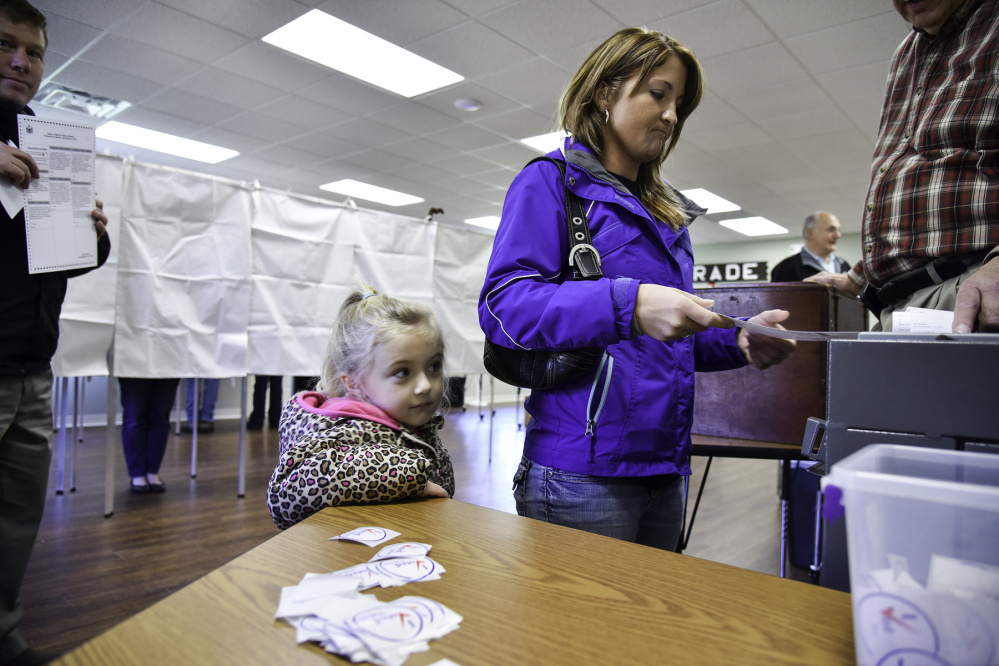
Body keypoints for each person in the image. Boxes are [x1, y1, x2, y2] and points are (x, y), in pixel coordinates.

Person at [477, 28, 795, 551]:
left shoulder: (668, 214)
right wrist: (630, 303)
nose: (672, 115)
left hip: (666, 466)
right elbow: (504, 307)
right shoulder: (550, 183)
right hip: (582, 474)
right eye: (658, 93)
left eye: (679, 103)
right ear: (605, 93)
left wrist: (738, 341)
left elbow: (663, 344)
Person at [0, 2, 111, 663]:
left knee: (16, 522)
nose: (20, 61)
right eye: (5, 45)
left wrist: (90, 235)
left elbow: (59, 261)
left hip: (32, 368)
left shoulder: (49, 139)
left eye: (33, 51)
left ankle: (5, 634)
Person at [806, 0, 998, 333]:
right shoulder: (906, 53)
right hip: (898, 304)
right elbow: (907, 179)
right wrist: (854, 278)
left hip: (977, 290)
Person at [267, 285, 454, 529]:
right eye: (402, 372)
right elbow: (287, 493)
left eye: (434, 367)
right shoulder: (343, 429)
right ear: (354, 383)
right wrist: (406, 473)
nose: (424, 385)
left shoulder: (415, 425)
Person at [119, 377, 178, 494]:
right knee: (134, 416)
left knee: (160, 417)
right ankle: (137, 473)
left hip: (168, 365)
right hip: (133, 365)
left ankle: (152, 471)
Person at [770, 211, 850, 282]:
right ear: (810, 233)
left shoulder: (844, 266)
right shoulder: (786, 268)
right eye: (831, 229)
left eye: (839, 230)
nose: (838, 235)